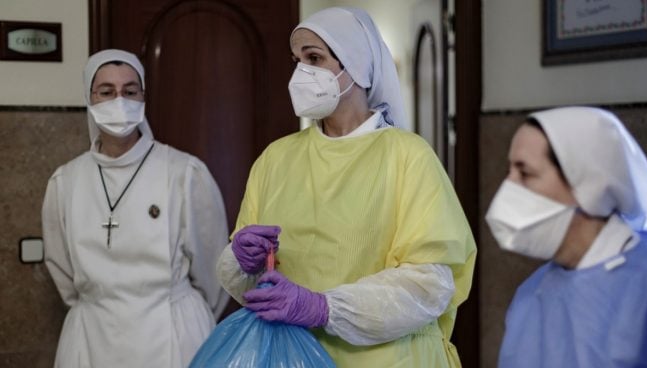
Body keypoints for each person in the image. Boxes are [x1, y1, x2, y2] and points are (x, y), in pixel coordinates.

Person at [215, 7, 476, 368]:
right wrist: (241, 264)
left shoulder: (407, 156)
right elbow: (257, 289)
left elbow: (429, 286)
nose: (300, 72)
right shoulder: (276, 159)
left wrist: (324, 308)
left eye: (314, 58)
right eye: (296, 60)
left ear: (355, 62)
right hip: (293, 356)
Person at [42, 49, 231, 367]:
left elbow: (215, 269)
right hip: (91, 336)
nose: (119, 100)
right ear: (89, 98)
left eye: (130, 91)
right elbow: (61, 269)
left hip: (173, 333)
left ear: (143, 97)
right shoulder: (66, 182)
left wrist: (178, 306)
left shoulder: (184, 173)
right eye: (106, 91)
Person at [485, 106, 647, 367]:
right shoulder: (531, 296)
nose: (509, 188)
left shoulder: (646, 288)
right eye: (509, 172)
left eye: (525, 173)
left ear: (587, 184)